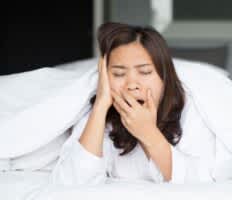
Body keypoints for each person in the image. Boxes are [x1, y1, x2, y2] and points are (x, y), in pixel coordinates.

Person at [50, 22, 215, 186]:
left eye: (144, 72)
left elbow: (201, 182)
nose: (132, 84)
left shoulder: (192, 110)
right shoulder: (99, 116)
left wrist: (148, 134)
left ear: (164, 77)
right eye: (119, 74)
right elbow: (73, 182)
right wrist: (100, 105)